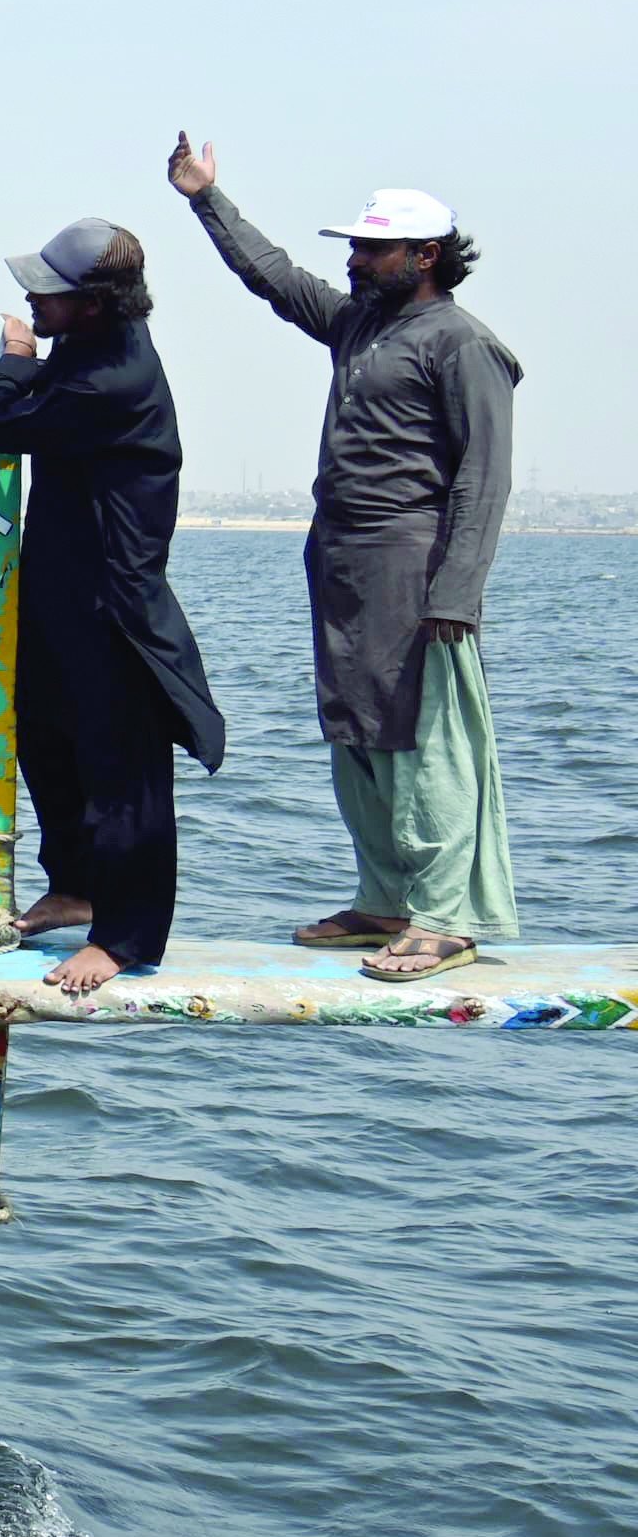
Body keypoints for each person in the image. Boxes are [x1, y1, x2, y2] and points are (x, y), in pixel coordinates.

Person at [172, 146, 520, 979]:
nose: (354, 261)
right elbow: (276, 277)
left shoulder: (463, 343)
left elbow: (484, 476)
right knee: (356, 732)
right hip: (342, 556)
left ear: (425, 256)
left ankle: (443, 915)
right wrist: (207, 197)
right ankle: (384, 899)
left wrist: (458, 591)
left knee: (423, 741)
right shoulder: (364, 323)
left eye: (371, 249)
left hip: (414, 561)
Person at [0, 216, 229, 996]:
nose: (31, 299)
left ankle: (125, 935)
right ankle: (74, 884)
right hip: (59, 587)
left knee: (124, 771)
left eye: (47, 291)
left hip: (112, 598)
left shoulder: (109, 375)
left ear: (93, 302)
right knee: (45, 739)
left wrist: (12, 362)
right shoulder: (82, 349)